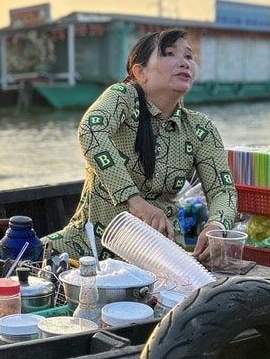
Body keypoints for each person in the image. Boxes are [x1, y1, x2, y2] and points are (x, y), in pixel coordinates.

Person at [43, 28, 237, 263]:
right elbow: (91, 131)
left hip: (159, 254)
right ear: (140, 72)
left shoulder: (200, 128)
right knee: (20, 258)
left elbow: (223, 190)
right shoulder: (122, 97)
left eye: (189, 56)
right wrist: (136, 202)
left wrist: (217, 226)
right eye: (170, 53)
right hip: (87, 246)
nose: (184, 63)